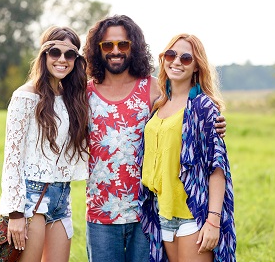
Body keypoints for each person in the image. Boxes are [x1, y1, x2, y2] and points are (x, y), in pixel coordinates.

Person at [83, 15, 227, 262]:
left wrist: (217, 122)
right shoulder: (85, 93)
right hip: (101, 214)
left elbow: (192, 113)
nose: (115, 51)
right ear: (97, 50)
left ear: (134, 47)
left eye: (123, 44)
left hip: (147, 213)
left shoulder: (152, 89)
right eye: (108, 45)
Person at [137, 33, 236, 262]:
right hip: (163, 213)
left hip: (194, 214)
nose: (176, 62)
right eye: (171, 55)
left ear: (196, 67)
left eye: (186, 58)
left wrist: (213, 220)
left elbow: (217, 168)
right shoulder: (159, 105)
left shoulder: (203, 107)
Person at [0, 26, 89, 262]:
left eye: (69, 54)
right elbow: (12, 158)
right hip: (30, 198)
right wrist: (15, 213)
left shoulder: (73, 98)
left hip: (62, 196)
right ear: (44, 55)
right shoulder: (25, 96)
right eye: (55, 52)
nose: (62, 59)